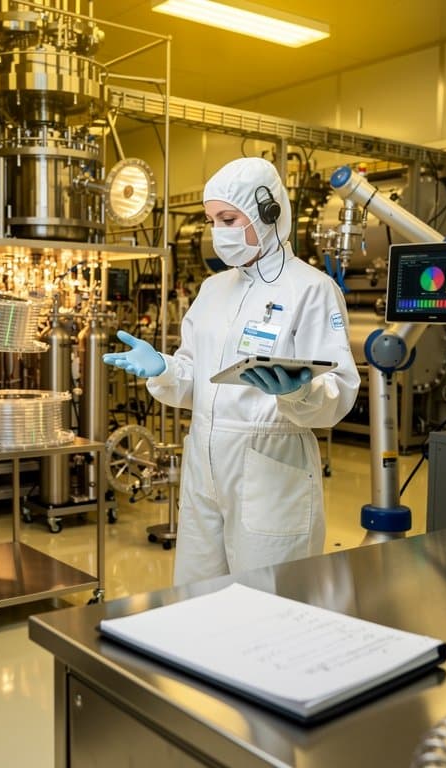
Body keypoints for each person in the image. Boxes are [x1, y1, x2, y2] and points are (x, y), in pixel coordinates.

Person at [103, 157, 360, 585]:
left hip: (271, 461)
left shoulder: (312, 288)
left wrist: (298, 392)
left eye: (227, 218)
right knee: (198, 590)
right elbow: (194, 379)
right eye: (211, 220)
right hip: (204, 460)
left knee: (269, 596)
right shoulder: (213, 289)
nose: (217, 232)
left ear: (268, 213)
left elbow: (338, 391)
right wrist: (165, 367)